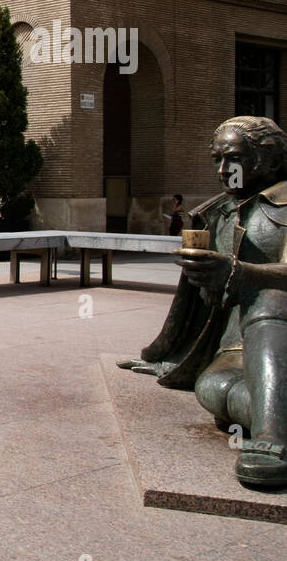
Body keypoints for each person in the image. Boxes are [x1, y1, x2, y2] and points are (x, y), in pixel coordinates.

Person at [120, 116, 287, 488]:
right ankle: (272, 412)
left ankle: (273, 439)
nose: (224, 170)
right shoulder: (216, 213)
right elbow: (201, 304)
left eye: (235, 159)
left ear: (271, 161)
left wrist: (241, 273)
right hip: (235, 345)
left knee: (268, 298)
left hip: (278, 327)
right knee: (216, 389)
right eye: (217, 159)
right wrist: (163, 355)